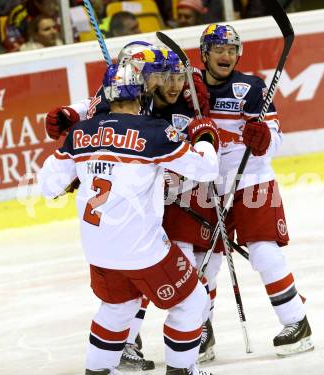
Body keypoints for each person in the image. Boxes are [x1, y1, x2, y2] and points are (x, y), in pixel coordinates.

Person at [39, 47, 219, 374]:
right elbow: (205, 170)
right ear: (142, 94)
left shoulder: (79, 134)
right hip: (143, 251)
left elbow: (49, 186)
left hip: (98, 252)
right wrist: (205, 136)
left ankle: (97, 371)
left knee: (116, 308)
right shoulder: (154, 133)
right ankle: (182, 371)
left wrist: (80, 174)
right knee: (193, 301)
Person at [197, 23, 314, 357]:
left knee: (263, 251)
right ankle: (199, 331)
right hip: (205, 185)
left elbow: (275, 136)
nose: (226, 55)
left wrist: (263, 140)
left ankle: (297, 321)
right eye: (219, 49)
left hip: (251, 180)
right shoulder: (188, 86)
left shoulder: (250, 88)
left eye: (232, 49)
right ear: (205, 53)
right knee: (204, 262)